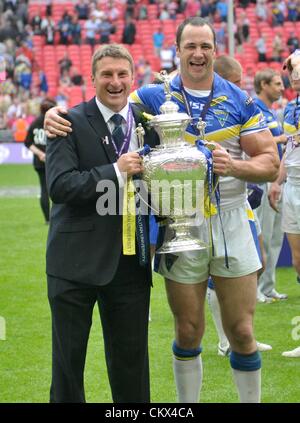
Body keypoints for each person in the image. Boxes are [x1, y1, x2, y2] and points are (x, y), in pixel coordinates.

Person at [44, 18, 279, 403]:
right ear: (178, 49)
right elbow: (102, 104)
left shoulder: (240, 99)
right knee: (187, 329)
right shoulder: (152, 97)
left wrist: (234, 166)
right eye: (191, 46)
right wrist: (53, 113)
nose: (198, 53)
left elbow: (270, 163)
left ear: (216, 50)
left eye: (206, 46)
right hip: (179, 223)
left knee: (241, 331)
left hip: (231, 217)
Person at [45, 44, 159, 403]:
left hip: (129, 263)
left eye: (122, 74)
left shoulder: (149, 123)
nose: (115, 82)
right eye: (106, 75)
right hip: (74, 263)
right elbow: (60, 187)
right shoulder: (68, 121)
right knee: (67, 370)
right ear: (92, 79)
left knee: (132, 368)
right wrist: (114, 172)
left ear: (132, 78)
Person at [207, 55, 272, 356]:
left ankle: (240, 334)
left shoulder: (241, 106)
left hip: (240, 196)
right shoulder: (206, 111)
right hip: (213, 205)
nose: (240, 89)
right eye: (236, 83)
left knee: (254, 263)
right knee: (216, 276)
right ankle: (225, 340)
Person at [269, 50, 300, 359]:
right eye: (290, 68)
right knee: (298, 262)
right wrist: (278, 182)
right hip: (292, 183)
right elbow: (291, 149)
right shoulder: (290, 108)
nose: (293, 74)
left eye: (296, 68)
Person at [253, 68, 288, 302]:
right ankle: (254, 289)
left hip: (277, 176)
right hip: (264, 177)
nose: (281, 88)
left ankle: (268, 286)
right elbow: (252, 141)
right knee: (262, 234)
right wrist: (279, 139)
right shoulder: (255, 109)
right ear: (263, 85)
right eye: (276, 84)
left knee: (275, 236)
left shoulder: (272, 112)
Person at [24, 98, 56, 224]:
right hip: (52, 161)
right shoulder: (54, 121)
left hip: (39, 162)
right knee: (55, 189)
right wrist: (44, 154)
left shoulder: (34, 123)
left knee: (44, 189)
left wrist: (40, 154)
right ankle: (54, 218)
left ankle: (47, 219)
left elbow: (28, 142)